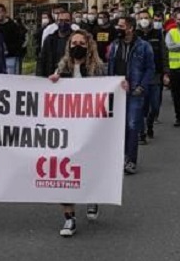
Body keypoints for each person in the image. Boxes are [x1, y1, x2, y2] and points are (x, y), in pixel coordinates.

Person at [47, 30, 126, 236]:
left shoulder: (98, 68)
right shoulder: (62, 67)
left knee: (89, 164)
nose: (77, 46)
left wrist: (120, 86)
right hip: (66, 128)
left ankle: (93, 196)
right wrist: (52, 81)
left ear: (89, 45)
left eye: (82, 42)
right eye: (74, 42)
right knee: (63, 170)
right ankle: (69, 218)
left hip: (91, 128)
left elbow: (109, 92)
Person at [106, 16, 154, 175]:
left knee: (133, 125)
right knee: (117, 127)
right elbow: (109, 67)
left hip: (134, 92)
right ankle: (118, 158)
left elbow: (150, 69)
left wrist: (141, 86)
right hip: (116, 92)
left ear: (130, 28)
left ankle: (131, 160)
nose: (117, 29)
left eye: (121, 26)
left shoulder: (144, 47)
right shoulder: (114, 46)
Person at [136, 11, 169, 141]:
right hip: (139, 76)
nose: (144, 20)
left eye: (146, 18)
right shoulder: (135, 35)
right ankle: (141, 132)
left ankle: (150, 123)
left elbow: (163, 53)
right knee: (141, 106)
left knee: (154, 105)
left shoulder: (157, 34)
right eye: (141, 18)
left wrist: (166, 72)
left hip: (155, 75)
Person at [37, 8, 77, 77]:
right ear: (56, 22)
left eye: (66, 21)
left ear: (71, 22)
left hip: (71, 77)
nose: (63, 23)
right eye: (60, 20)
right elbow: (42, 60)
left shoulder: (76, 39)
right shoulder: (49, 39)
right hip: (52, 77)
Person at [0, 4, 27, 75]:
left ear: (4, 12)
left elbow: (19, 40)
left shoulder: (13, 26)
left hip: (11, 56)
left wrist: (11, 49)